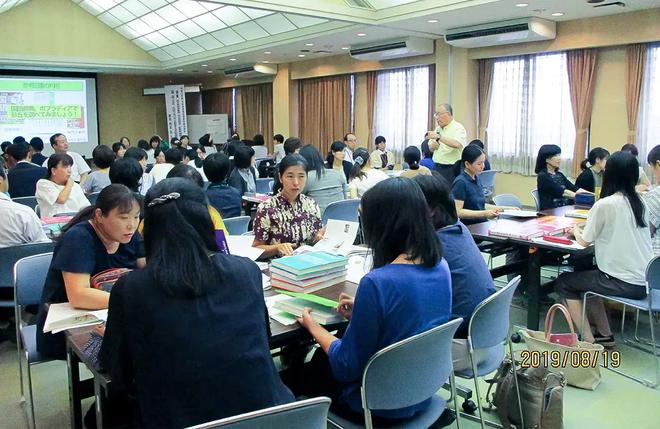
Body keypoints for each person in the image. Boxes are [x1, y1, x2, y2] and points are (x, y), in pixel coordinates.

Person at [97, 178, 293, 427]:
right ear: (207, 220)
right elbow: (263, 340)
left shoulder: (131, 289)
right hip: (265, 416)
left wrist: (113, 334)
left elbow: (117, 371)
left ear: (148, 229)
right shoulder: (246, 271)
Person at [287, 177, 453, 426]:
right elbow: (409, 322)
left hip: (377, 403)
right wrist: (363, 311)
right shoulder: (441, 267)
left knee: (295, 376)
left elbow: (345, 366)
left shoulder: (378, 283)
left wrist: (313, 326)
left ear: (383, 225)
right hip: (423, 388)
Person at [555, 151, 653, 346]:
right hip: (645, 281)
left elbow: (583, 242)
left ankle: (587, 343)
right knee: (587, 276)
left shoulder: (605, 204)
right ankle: (605, 334)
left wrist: (575, 229)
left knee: (564, 282)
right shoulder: (641, 202)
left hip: (622, 282)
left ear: (609, 175)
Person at [36, 184, 144, 359]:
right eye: (123, 217)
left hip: (109, 316)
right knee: (131, 355)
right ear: (100, 215)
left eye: (136, 217)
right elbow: (79, 295)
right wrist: (133, 300)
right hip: (68, 330)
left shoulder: (129, 235)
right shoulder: (78, 238)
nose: (131, 225)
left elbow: (148, 269)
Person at [414, 174, 495, 370]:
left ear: (430, 210)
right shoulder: (459, 229)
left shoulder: (434, 248)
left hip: (459, 347)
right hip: (488, 337)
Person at [253, 155, 323, 257]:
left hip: (308, 262)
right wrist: (277, 248)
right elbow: (255, 249)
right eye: (290, 176)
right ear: (281, 178)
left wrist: (320, 237)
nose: (296, 182)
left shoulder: (311, 204)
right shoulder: (267, 208)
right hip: (279, 265)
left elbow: (314, 240)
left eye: (301, 176)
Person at [452, 145, 513, 225]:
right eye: (479, 164)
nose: (483, 166)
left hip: (481, 224)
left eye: (483, 162)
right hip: (470, 227)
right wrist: (483, 213)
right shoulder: (461, 182)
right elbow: (458, 212)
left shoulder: (476, 179)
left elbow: (480, 205)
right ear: (467, 164)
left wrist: (505, 209)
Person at [36, 154, 90, 218]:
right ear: (53, 170)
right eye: (65, 167)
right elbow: (61, 199)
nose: (69, 171)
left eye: (70, 167)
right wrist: (69, 184)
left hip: (75, 223)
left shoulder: (75, 186)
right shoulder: (43, 184)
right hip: (53, 225)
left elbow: (86, 208)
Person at [535, 144, 587, 210]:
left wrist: (593, 195)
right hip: (551, 212)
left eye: (559, 155)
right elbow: (563, 192)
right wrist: (585, 198)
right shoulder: (543, 176)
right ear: (547, 159)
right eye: (555, 155)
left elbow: (574, 188)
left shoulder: (559, 174)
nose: (559, 158)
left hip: (564, 209)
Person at [299, 145, 347, 215]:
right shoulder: (337, 174)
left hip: (319, 221)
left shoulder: (307, 178)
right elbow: (345, 198)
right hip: (342, 218)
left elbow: (298, 200)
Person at [429, 103, 467, 184]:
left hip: (451, 169)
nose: (437, 118)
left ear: (449, 114)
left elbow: (456, 144)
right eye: (436, 115)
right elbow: (430, 148)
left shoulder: (458, 128)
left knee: (450, 195)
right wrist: (433, 146)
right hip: (437, 168)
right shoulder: (437, 129)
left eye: (439, 114)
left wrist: (439, 137)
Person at [204, 152, 242, 219]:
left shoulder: (203, 197)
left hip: (215, 229)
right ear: (227, 173)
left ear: (205, 173)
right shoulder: (236, 193)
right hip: (235, 229)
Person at [643, 145, 660, 255]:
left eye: (652, 168)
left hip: (654, 263)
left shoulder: (656, 195)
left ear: (658, 164)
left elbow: (644, 233)